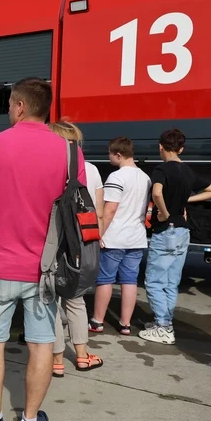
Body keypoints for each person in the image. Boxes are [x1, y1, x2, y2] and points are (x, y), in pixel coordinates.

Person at [0, 78, 86, 421]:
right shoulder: (69, 151)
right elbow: (80, 212)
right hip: (47, 269)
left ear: (18, 106)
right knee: (41, 344)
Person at [141, 129, 211, 344]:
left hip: (166, 230)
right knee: (171, 281)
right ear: (181, 149)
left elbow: (157, 192)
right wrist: (188, 200)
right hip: (183, 231)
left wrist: (164, 214)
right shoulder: (188, 172)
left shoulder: (161, 169)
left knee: (155, 281)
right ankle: (165, 322)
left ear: (160, 147)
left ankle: (163, 328)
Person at [48, 121, 104, 375]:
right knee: (75, 298)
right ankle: (82, 356)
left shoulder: (46, 156)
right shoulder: (85, 164)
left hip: (49, 234)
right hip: (76, 237)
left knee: (49, 298)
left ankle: (56, 360)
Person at [89, 137, 151, 335]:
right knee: (130, 280)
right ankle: (125, 324)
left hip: (115, 237)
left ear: (118, 154)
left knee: (105, 279)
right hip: (137, 237)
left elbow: (110, 210)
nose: (108, 158)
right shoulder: (145, 177)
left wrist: (100, 234)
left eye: (109, 154)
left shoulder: (116, 177)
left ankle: (97, 321)